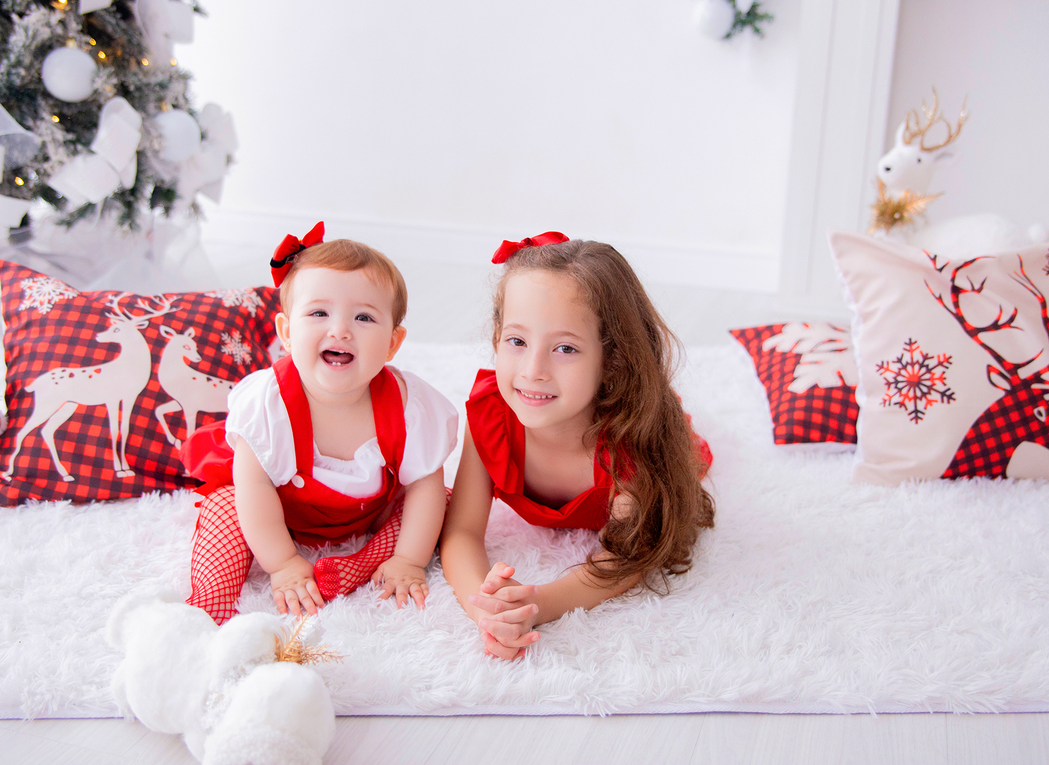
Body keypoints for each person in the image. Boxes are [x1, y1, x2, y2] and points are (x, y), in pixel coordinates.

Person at [440, 232, 715, 660]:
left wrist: (538, 604)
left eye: (565, 348)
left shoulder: (633, 443)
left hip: (634, 424)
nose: (533, 371)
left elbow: (627, 558)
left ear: (613, 360)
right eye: (517, 341)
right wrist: (489, 611)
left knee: (685, 447)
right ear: (496, 337)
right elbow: (461, 532)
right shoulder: (491, 415)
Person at [182, 222, 457, 624]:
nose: (340, 330)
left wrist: (410, 559)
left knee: (437, 500)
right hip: (273, 509)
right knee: (224, 507)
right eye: (319, 313)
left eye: (363, 317)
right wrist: (282, 563)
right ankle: (211, 600)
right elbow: (255, 487)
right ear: (287, 332)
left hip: (366, 515)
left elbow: (424, 485)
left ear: (392, 343)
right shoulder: (269, 403)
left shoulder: (409, 406)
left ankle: (363, 563)